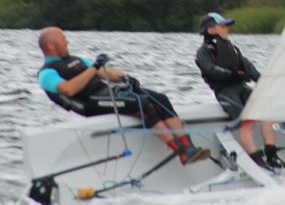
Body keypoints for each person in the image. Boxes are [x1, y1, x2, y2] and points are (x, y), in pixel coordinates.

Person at [37, 27, 210, 166]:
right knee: (140, 104)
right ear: (51, 46)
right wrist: (94, 67)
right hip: (89, 104)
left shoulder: (77, 59)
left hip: (107, 93)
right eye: (62, 38)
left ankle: (189, 147)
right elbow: (69, 90)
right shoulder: (46, 73)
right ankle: (180, 152)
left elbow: (106, 73)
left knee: (160, 98)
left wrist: (125, 78)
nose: (67, 41)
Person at [195, 12, 285, 170]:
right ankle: (256, 160)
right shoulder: (204, 51)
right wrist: (231, 74)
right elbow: (210, 70)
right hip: (225, 92)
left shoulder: (233, 48)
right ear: (210, 30)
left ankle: (271, 155)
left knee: (265, 112)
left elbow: (247, 66)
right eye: (223, 26)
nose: (227, 29)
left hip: (241, 88)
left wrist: (262, 80)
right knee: (246, 121)